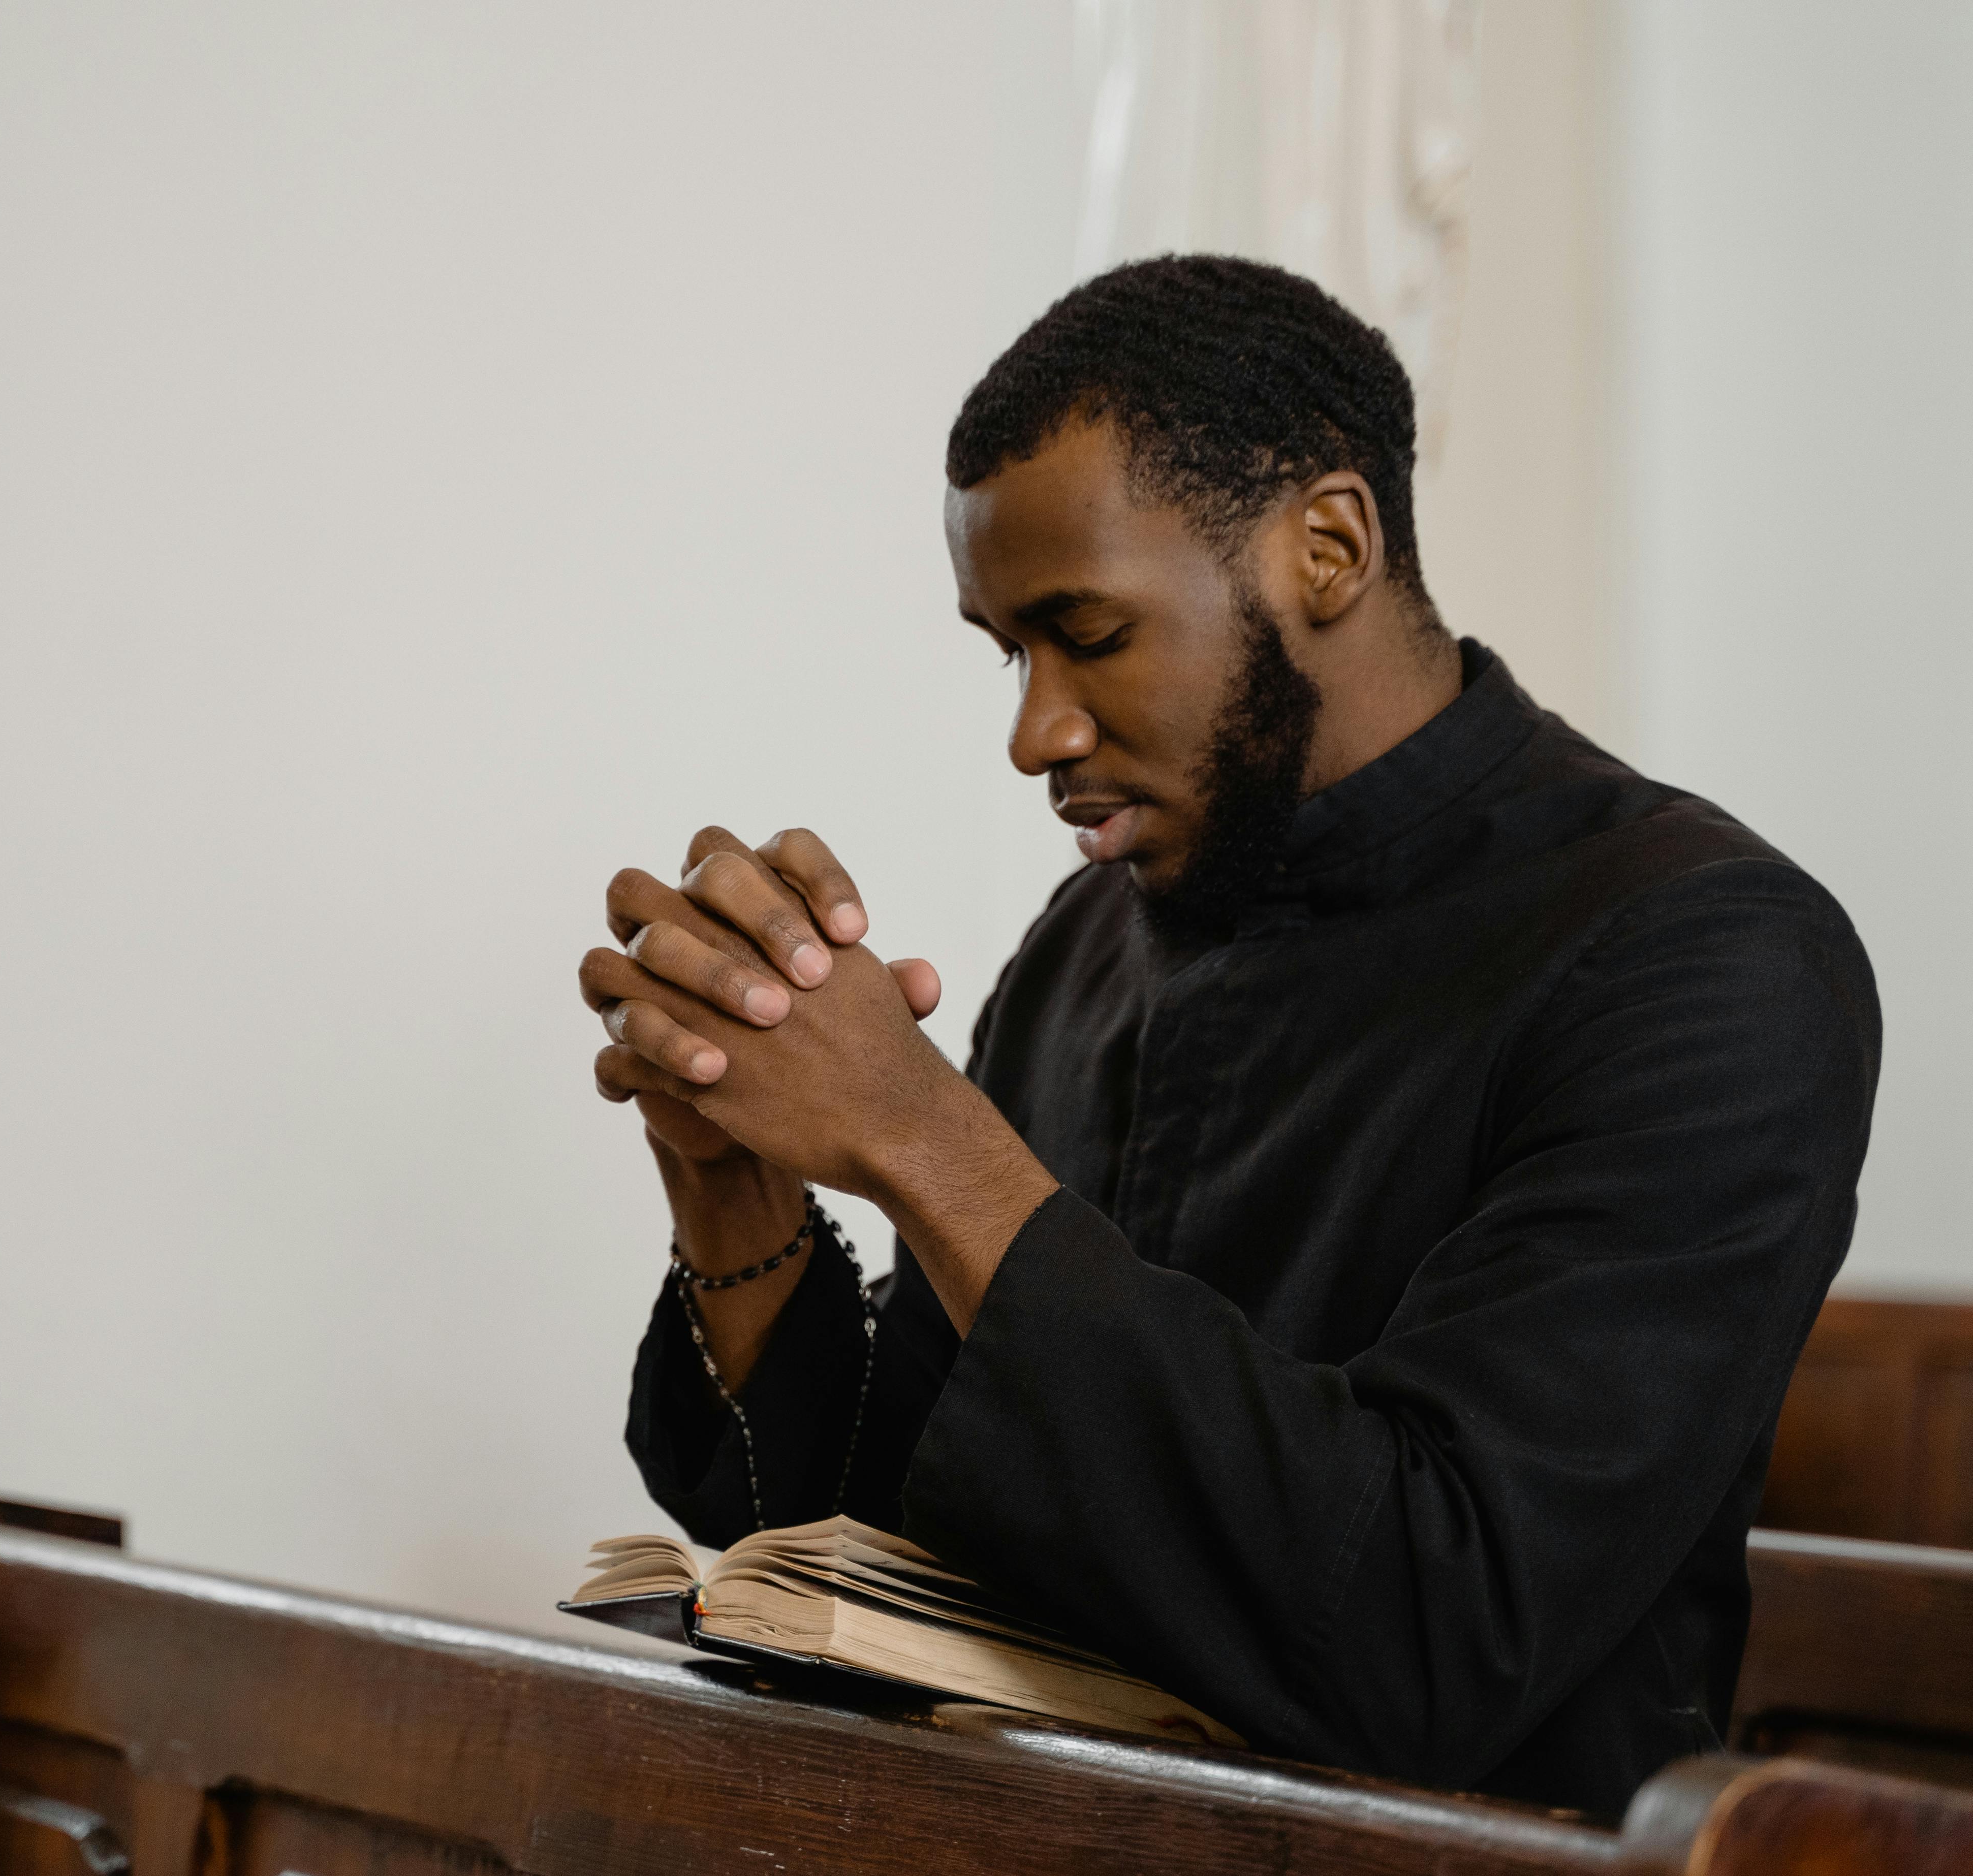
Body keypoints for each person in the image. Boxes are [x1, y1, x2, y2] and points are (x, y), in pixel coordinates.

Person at [576, 256, 1880, 1819]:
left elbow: (1428, 1636)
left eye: (1088, 634)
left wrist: (926, 1141)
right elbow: (891, 1530)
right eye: (1009, 651)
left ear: (1324, 546)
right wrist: (730, 1176)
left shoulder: (1699, 955)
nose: (1033, 732)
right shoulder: (1087, 947)